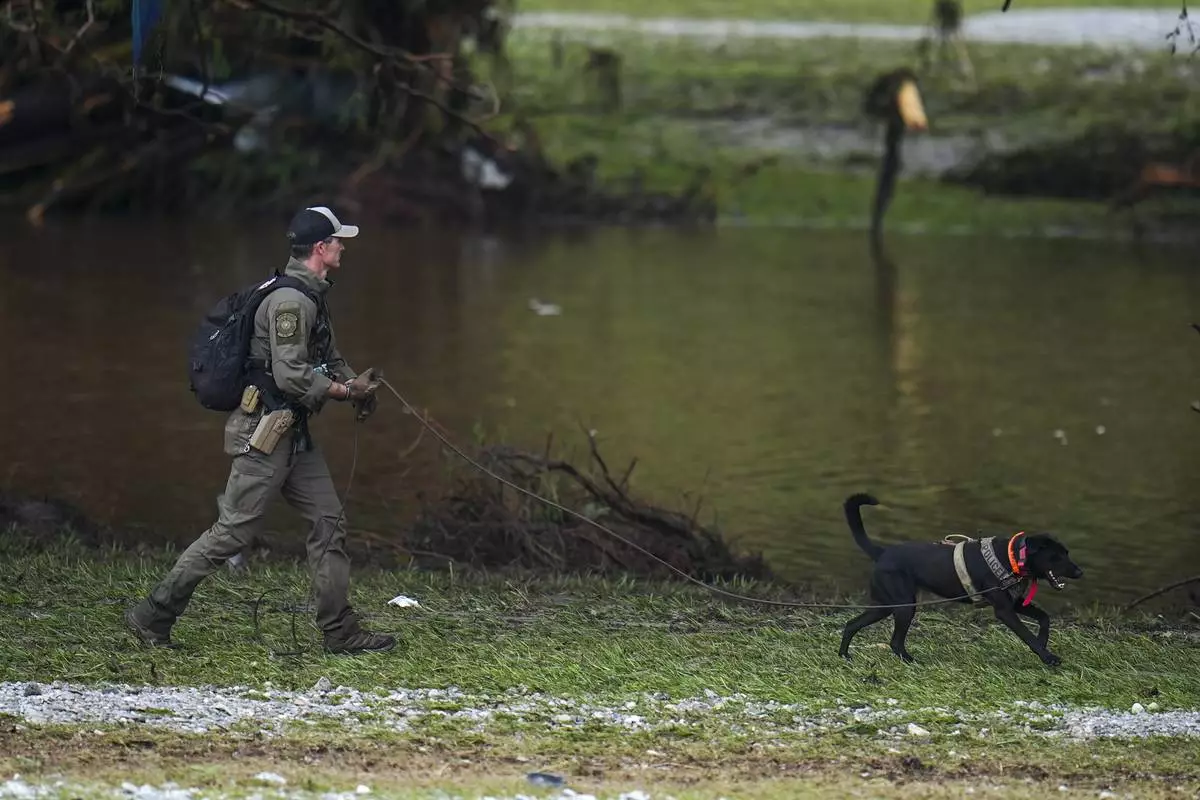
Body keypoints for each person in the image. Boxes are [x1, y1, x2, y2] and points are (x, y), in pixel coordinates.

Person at [125, 206, 395, 655]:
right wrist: (345, 392)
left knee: (329, 522)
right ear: (320, 248)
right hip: (265, 434)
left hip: (294, 434)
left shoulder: (311, 294)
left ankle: (339, 631)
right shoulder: (291, 302)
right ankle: (152, 615)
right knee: (231, 533)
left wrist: (355, 385)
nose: (343, 248)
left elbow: (327, 359)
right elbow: (291, 376)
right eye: (338, 241)